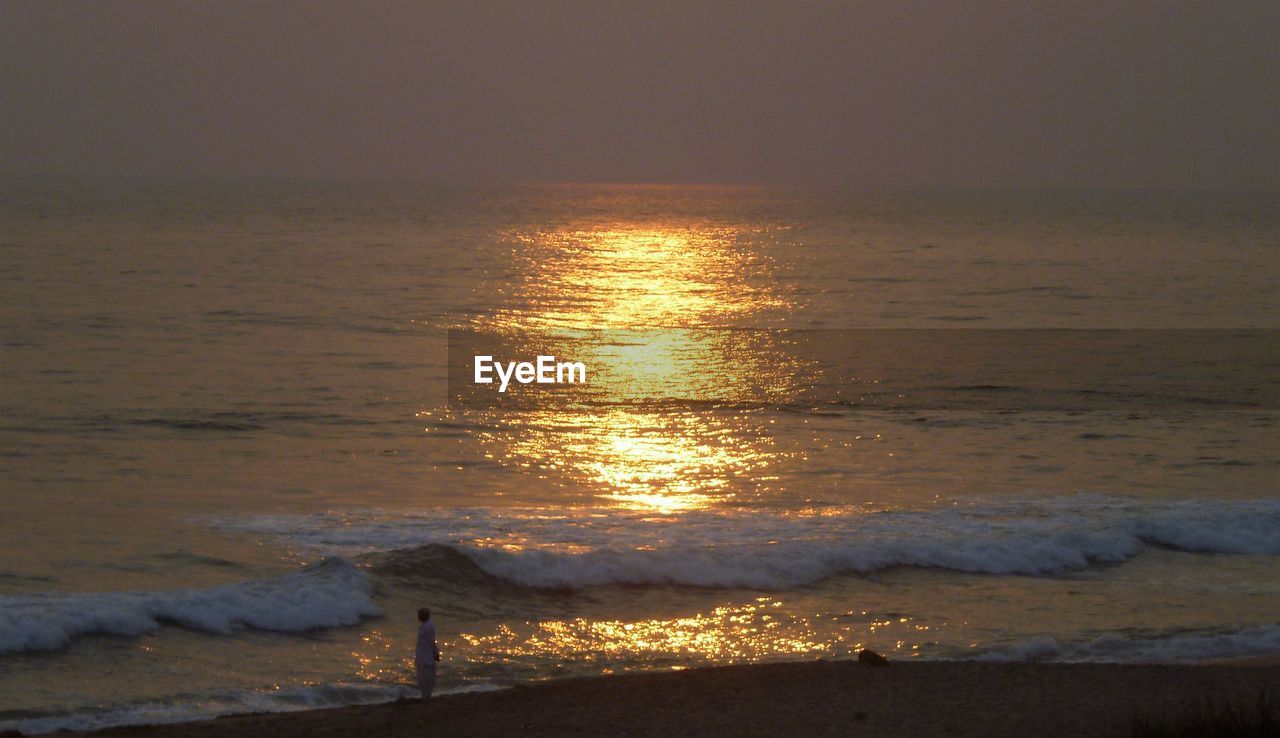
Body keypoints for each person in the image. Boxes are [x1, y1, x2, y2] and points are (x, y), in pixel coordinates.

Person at [415, 607, 441, 698]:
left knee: (426, 677)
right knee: (423, 677)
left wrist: (435, 653)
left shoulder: (428, 627)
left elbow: (431, 642)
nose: (418, 617)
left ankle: (426, 696)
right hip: (423, 656)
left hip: (427, 657)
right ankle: (425, 696)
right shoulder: (424, 626)